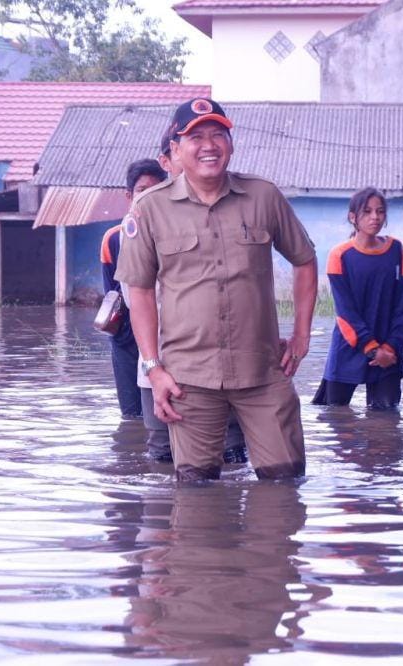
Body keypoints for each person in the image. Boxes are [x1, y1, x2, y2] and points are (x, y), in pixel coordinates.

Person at [116, 98, 318, 482]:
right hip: (189, 380)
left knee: (285, 483)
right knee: (196, 493)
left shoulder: (264, 196)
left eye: (218, 134)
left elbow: (304, 260)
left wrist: (302, 335)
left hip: (263, 371)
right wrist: (153, 369)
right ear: (175, 149)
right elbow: (139, 291)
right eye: (196, 137)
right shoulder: (148, 209)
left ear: (231, 143)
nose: (209, 145)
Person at [127, 138, 249, 464]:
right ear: (169, 159)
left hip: (223, 364)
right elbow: (135, 299)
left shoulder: (222, 217)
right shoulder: (130, 231)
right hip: (159, 365)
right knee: (164, 451)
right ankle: (169, 514)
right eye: (181, 153)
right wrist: (153, 366)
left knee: (232, 449)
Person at [313, 187, 403, 410]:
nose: (374, 217)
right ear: (353, 217)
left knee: (387, 422)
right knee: (335, 415)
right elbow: (345, 313)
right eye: (367, 211)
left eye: (380, 211)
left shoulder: (396, 250)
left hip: (389, 351)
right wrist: (372, 349)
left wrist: (391, 348)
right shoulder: (340, 255)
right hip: (349, 346)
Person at [99, 160, 168, 419]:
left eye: (157, 189)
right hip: (127, 339)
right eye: (142, 190)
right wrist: (128, 339)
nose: (149, 196)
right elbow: (113, 295)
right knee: (132, 417)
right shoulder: (114, 238)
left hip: (167, 336)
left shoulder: (175, 233)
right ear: (129, 196)